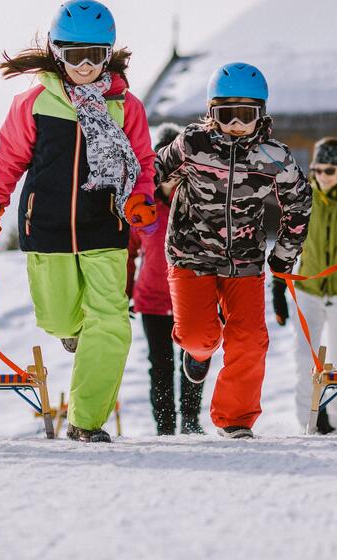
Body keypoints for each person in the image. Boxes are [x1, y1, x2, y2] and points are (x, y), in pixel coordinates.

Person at [0, 0, 158, 443]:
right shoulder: (35, 103)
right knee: (58, 318)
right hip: (48, 227)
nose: (86, 66)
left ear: (108, 54)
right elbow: (10, 159)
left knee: (111, 321)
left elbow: (143, 161)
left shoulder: (125, 106)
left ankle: (86, 421)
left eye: (97, 55)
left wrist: (141, 198)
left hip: (105, 227)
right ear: (58, 53)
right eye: (76, 56)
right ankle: (73, 332)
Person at [155, 62, 311, 439]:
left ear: (262, 116)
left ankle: (235, 418)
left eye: (247, 115)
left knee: (250, 339)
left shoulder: (274, 157)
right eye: (227, 115)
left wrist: (285, 253)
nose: (237, 124)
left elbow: (299, 203)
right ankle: (198, 353)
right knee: (198, 335)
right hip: (190, 251)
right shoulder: (192, 145)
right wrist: (144, 199)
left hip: (244, 259)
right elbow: (154, 170)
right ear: (211, 113)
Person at [271, 138, 337, 435]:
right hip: (309, 292)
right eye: (317, 169)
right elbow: (287, 241)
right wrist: (278, 287)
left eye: (329, 170)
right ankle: (310, 425)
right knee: (305, 359)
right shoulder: (304, 198)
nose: (322, 176)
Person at [128, 123, 205, 436]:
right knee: (160, 365)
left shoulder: (198, 206)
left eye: (178, 173)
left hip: (192, 298)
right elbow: (128, 252)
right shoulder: (145, 209)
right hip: (152, 300)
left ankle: (190, 420)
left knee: (194, 361)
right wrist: (124, 291)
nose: (171, 180)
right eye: (166, 173)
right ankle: (165, 425)